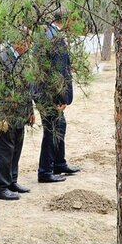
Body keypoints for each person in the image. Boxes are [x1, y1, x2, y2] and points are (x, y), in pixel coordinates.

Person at [35, 11, 80, 183]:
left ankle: (59, 163)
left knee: (60, 125)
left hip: (43, 91)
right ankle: (45, 172)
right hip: (49, 94)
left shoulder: (48, 33)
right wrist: (60, 98)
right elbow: (58, 72)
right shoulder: (55, 38)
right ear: (67, 20)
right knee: (51, 130)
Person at [0, 41, 35, 200]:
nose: (29, 44)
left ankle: (11, 181)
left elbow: (26, 87)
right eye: (27, 39)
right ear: (18, 41)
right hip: (5, 116)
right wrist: (1, 116)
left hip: (20, 114)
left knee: (16, 149)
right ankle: (0, 187)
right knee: (4, 151)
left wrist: (30, 110)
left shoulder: (21, 58)